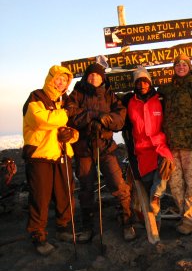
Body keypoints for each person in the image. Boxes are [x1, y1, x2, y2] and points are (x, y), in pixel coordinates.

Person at [66, 63, 135, 242]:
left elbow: (120, 118)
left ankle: (126, 222)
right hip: (83, 148)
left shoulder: (109, 94)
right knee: (86, 189)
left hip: (105, 147)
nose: (93, 78)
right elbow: (70, 114)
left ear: (102, 78)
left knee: (118, 184)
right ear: (86, 77)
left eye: (97, 75)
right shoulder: (77, 92)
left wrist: (106, 120)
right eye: (90, 75)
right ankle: (87, 226)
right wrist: (92, 116)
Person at [22, 65, 79, 256]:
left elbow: (73, 131)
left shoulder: (65, 102)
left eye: (65, 80)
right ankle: (38, 234)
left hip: (61, 154)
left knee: (64, 193)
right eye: (58, 78)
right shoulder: (36, 98)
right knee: (40, 196)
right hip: (40, 155)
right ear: (50, 79)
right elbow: (41, 121)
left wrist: (70, 135)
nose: (61, 82)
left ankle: (63, 227)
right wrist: (66, 113)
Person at [157, 54, 192, 235]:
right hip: (172, 146)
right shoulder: (167, 89)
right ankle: (187, 215)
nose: (181, 67)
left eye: (184, 64)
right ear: (174, 67)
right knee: (175, 184)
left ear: (189, 67)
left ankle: (190, 221)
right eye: (178, 64)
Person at [123, 67, 175, 229]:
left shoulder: (160, 99)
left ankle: (157, 197)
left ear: (150, 83)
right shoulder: (129, 101)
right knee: (148, 188)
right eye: (138, 82)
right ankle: (154, 226)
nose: (142, 85)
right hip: (141, 151)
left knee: (164, 172)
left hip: (160, 146)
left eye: (145, 81)